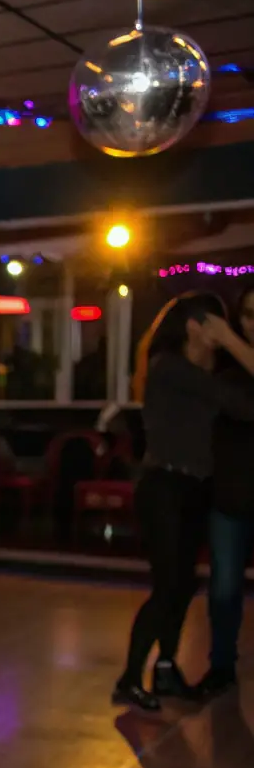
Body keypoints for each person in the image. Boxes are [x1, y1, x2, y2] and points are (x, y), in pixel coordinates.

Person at [114, 293, 254, 711]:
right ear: (195, 325)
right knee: (168, 586)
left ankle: (166, 669)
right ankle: (129, 677)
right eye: (218, 323)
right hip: (165, 487)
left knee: (182, 585)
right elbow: (242, 406)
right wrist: (231, 341)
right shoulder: (170, 367)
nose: (223, 331)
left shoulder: (201, 372)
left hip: (193, 488)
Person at [202, 286, 254, 698]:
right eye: (249, 315)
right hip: (231, 496)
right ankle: (221, 667)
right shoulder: (226, 371)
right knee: (224, 588)